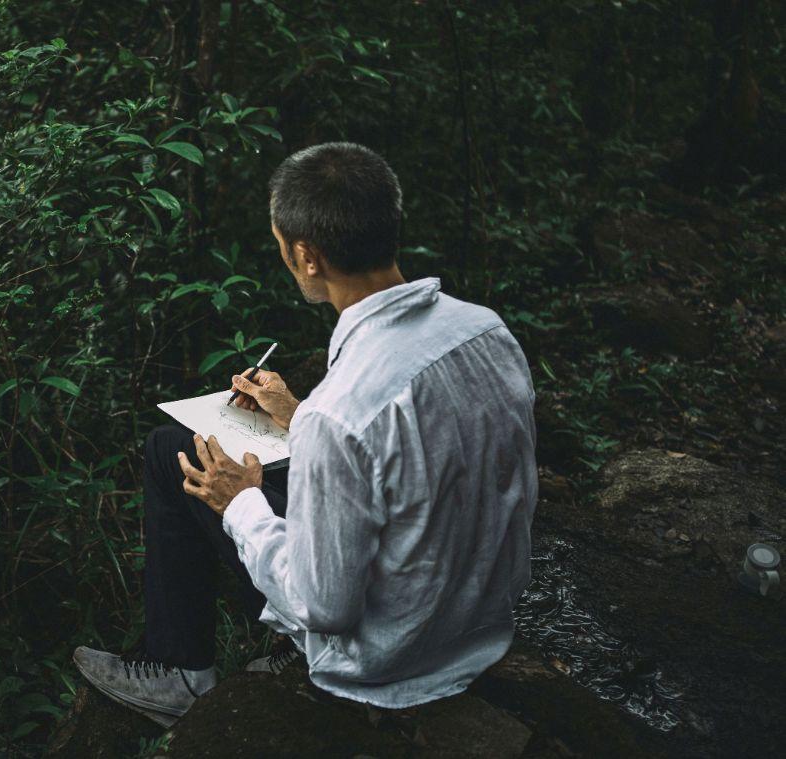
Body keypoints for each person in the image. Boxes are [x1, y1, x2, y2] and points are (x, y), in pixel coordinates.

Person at [72, 141, 538, 728]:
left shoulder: (338, 416)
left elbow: (325, 607)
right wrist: (294, 414)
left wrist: (238, 501)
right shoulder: (484, 332)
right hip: (478, 622)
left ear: (306, 255)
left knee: (171, 453)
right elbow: (407, 445)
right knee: (193, 450)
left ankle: (182, 672)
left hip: (389, 657)